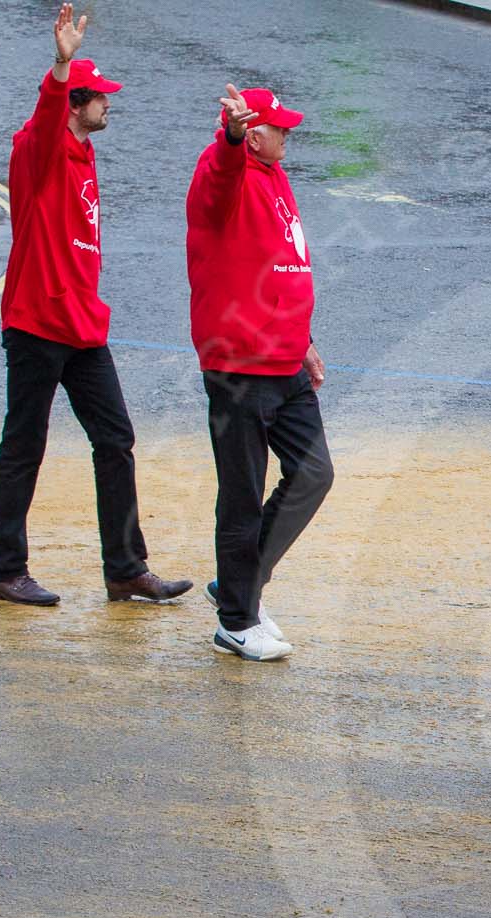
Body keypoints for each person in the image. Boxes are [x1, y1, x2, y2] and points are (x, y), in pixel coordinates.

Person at [0, 5, 190, 610]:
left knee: (115, 439)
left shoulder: (83, 153)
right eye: (98, 97)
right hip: (36, 321)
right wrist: (61, 62)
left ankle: (126, 569)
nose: (108, 104)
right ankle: (6, 570)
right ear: (74, 103)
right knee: (24, 445)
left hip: (81, 324)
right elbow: (44, 119)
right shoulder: (40, 146)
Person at [186, 82, 330, 663]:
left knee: (314, 473)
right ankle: (236, 621)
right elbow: (220, 180)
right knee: (241, 496)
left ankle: (239, 582)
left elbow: (281, 264)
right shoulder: (224, 170)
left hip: (287, 356)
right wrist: (230, 138)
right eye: (278, 127)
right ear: (253, 131)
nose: (287, 134)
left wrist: (308, 341)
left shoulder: (275, 173)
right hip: (239, 365)